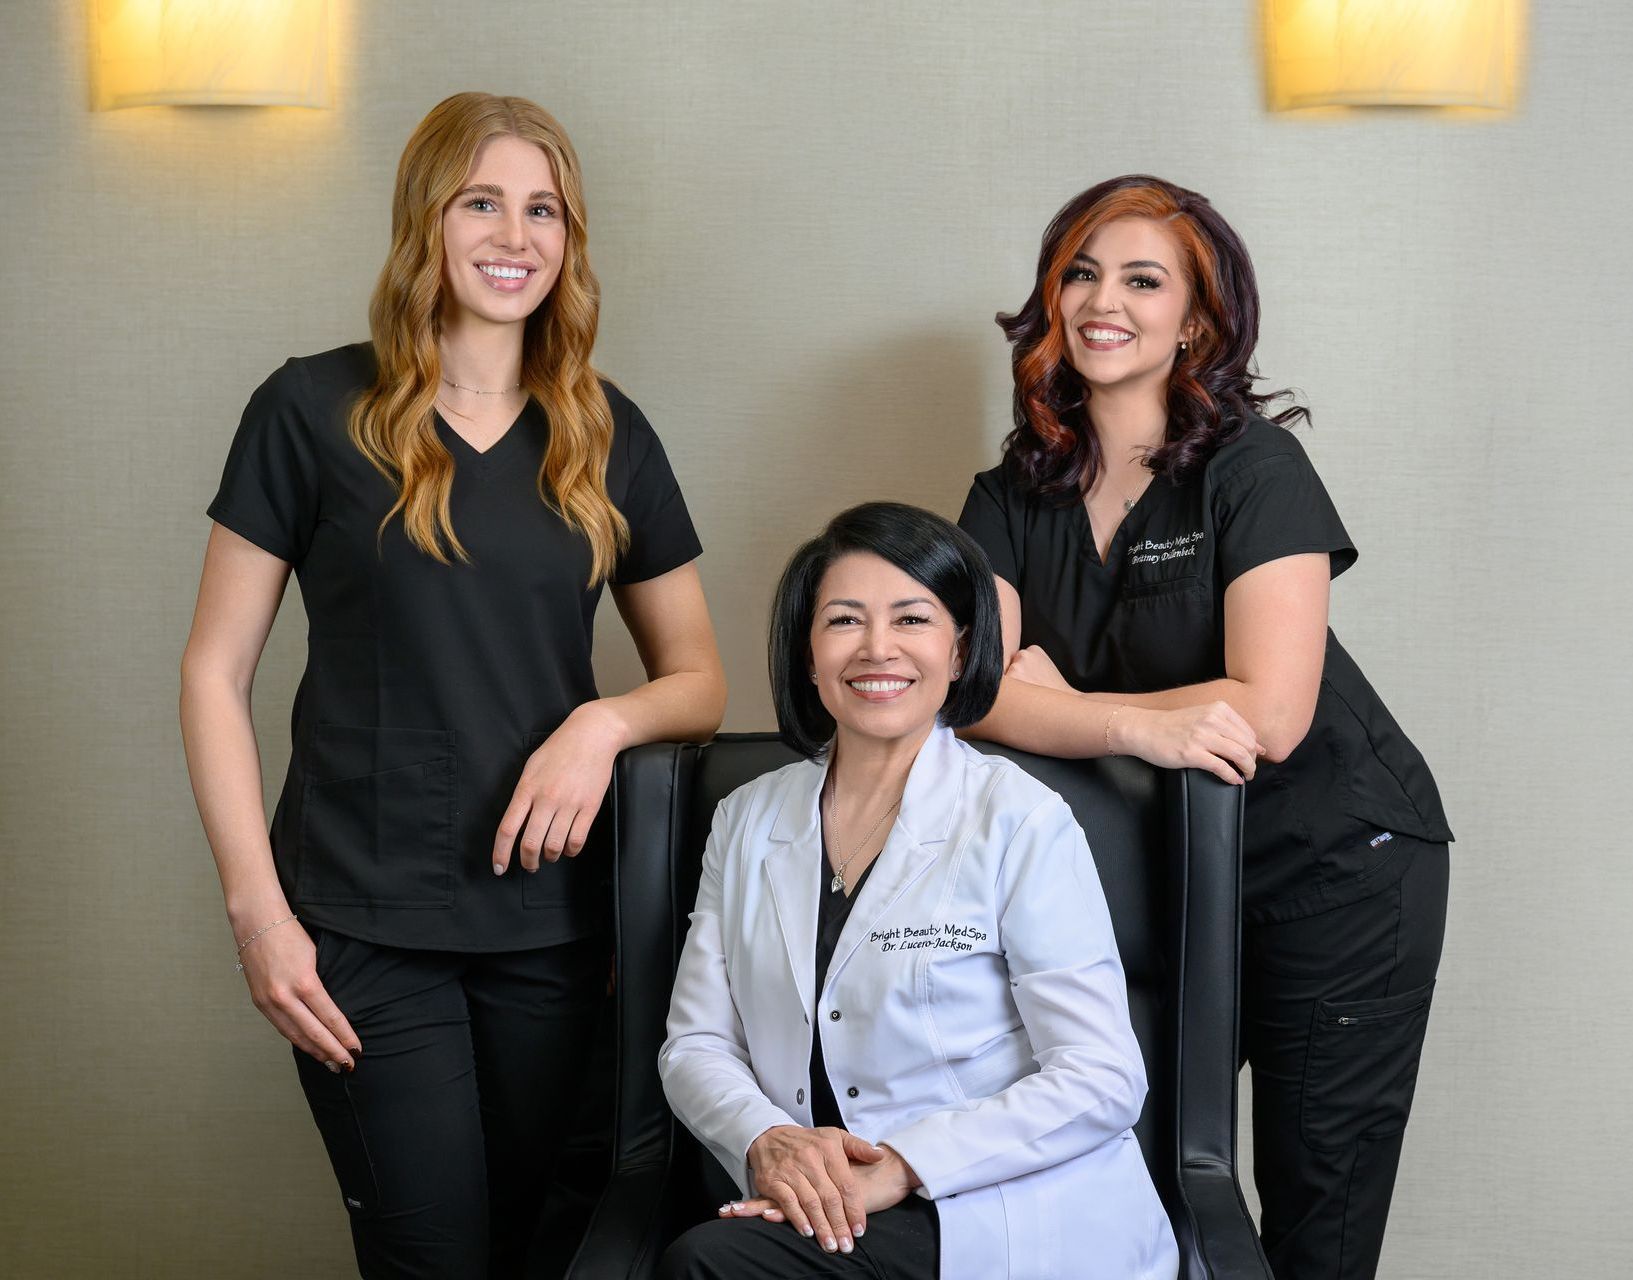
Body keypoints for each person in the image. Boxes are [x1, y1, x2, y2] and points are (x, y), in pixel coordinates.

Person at [179, 92, 725, 1278]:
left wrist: (601, 722)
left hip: (553, 928)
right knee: (432, 1259)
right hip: (361, 924)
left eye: (544, 210)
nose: (513, 235)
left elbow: (699, 679)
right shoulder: (308, 411)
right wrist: (258, 913)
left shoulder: (607, 432)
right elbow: (213, 674)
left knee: (548, 1249)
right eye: (482, 201)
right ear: (426, 218)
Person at [956, 174, 1452, 1279]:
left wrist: (1070, 708)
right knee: (1127, 1184)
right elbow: (970, 694)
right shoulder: (1009, 494)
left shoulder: (1251, 466)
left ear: (1198, 319)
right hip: (1160, 877)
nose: (1103, 299)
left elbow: (1268, 711)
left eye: (1143, 278)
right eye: (1080, 271)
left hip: (1332, 865)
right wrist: (1150, 724)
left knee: (1314, 1211)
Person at [656, 503, 1177, 1280]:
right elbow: (696, 1043)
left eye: (911, 619)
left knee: (711, 1266)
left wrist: (901, 1164)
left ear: (960, 650)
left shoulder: (1018, 819)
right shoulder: (745, 819)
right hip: (823, 1204)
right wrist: (769, 1140)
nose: (877, 649)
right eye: (842, 621)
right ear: (807, 653)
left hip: (1003, 1209)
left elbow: (1101, 1075)